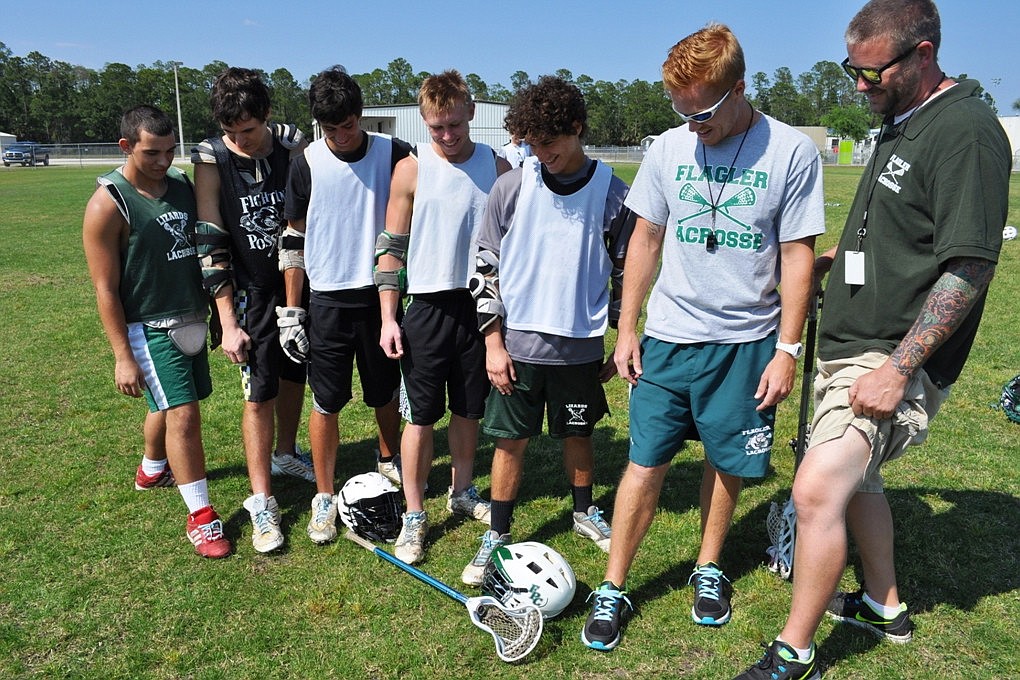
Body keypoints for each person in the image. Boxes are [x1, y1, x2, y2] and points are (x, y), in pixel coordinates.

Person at [736, 2, 1009, 678]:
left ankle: (793, 652)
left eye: (872, 72)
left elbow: (969, 264)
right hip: (852, 340)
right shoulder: (901, 121)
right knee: (861, 484)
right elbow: (900, 230)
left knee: (819, 488)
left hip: (890, 355)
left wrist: (900, 369)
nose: (859, 86)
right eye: (850, 71)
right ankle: (885, 607)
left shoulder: (966, 130)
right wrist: (840, 260)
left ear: (922, 54)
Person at [581, 23, 824, 651]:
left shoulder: (791, 152)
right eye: (680, 109)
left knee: (727, 460)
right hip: (668, 337)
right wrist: (626, 326)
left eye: (705, 111)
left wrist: (788, 350)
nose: (693, 123)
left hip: (746, 342)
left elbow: (799, 255)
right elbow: (646, 239)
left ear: (741, 87)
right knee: (644, 461)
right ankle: (614, 584)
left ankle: (710, 567)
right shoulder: (667, 148)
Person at [461, 76, 635, 587]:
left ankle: (584, 512)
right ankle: (497, 532)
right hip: (517, 346)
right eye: (531, 144)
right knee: (510, 442)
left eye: (550, 143)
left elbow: (627, 271)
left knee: (578, 434)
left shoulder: (613, 194)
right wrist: (493, 342)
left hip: (580, 345)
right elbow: (484, 266)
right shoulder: (513, 185)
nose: (541, 154)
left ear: (577, 128)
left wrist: (624, 335)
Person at [83, 105, 232, 559]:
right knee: (184, 415)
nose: (164, 161)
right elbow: (105, 289)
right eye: (152, 153)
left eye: (170, 151)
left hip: (192, 316)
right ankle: (202, 517)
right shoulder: (109, 203)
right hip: (148, 327)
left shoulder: (184, 188)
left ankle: (151, 469)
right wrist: (122, 356)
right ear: (126, 146)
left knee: (169, 403)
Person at [377, 70, 511, 564]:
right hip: (427, 309)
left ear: (471, 113)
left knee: (469, 409)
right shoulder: (412, 170)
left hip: (479, 306)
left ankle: (461, 490)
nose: (448, 136)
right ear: (424, 123)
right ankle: (415, 513)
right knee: (421, 416)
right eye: (437, 128)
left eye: (454, 125)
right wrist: (390, 317)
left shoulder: (497, 167)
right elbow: (390, 249)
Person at [281, 66, 411, 544]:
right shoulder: (306, 162)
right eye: (330, 128)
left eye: (348, 125)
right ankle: (323, 495)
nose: (340, 136)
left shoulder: (396, 153)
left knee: (383, 391)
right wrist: (292, 312)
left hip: (381, 297)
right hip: (327, 301)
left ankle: (387, 459)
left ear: (360, 115)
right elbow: (293, 238)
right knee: (327, 400)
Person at [191, 67, 315, 554]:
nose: (239, 140)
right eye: (231, 132)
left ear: (265, 115)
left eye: (248, 130)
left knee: (294, 373)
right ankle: (261, 500)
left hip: (297, 279)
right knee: (258, 390)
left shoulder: (291, 144)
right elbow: (209, 235)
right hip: (250, 290)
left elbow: (306, 212)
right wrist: (227, 319)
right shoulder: (211, 156)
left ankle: (286, 454)